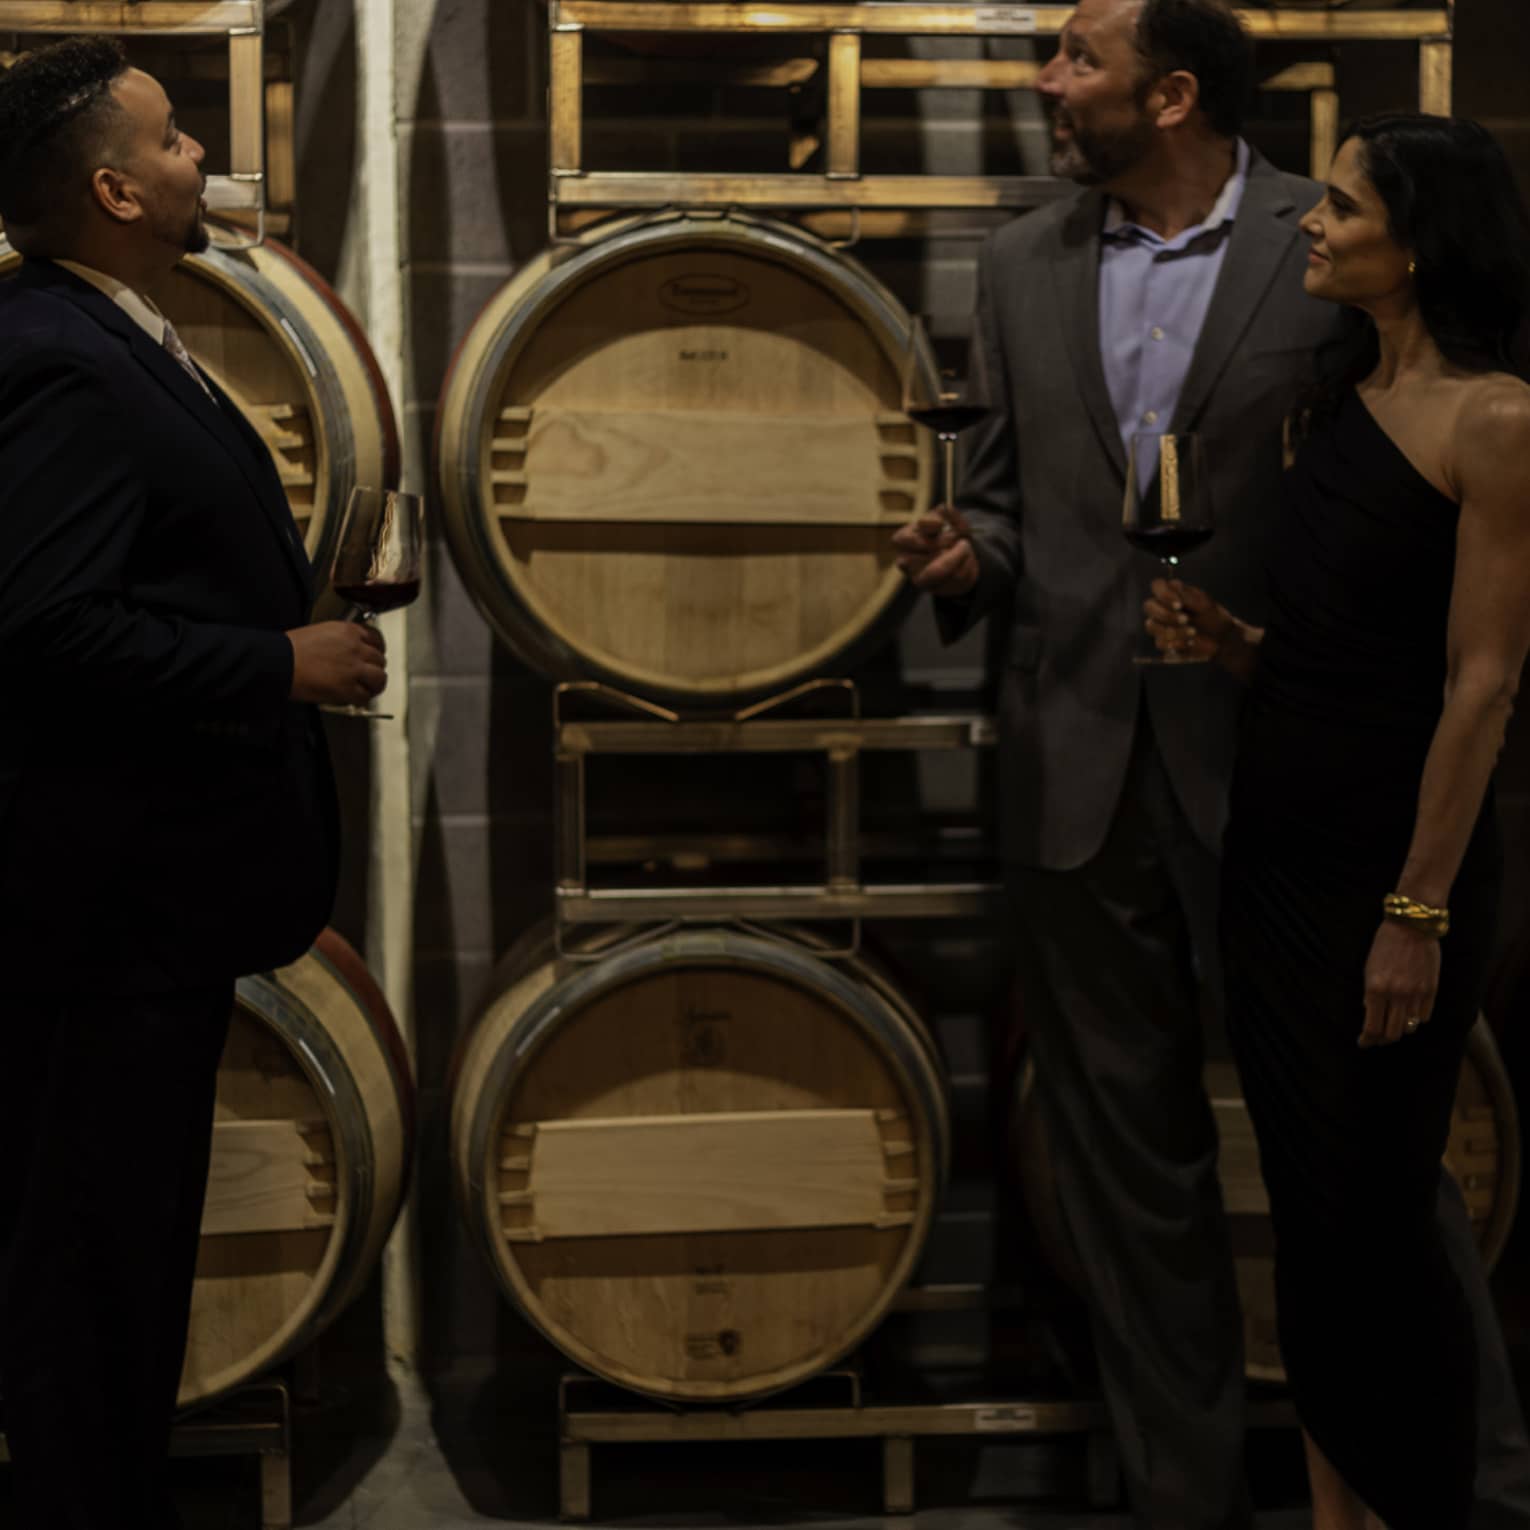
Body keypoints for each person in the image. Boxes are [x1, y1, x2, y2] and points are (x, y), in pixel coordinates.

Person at [892, 2, 1530, 1526]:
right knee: (1130, 1172)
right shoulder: (1020, 264)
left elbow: (1412, 479)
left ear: (1169, 93)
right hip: (1075, 769)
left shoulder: (1324, 245)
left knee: (1371, 1165)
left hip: (1285, 777)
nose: (1045, 83)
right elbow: (1002, 508)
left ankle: (1477, 1481)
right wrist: (955, 559)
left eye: (1075, 60)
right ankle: (1183, 1498)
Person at [0, 38, 386, 1529]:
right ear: (110, 187)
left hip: (138, 911)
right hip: (106, 916)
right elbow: (42, 628)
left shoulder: (106, 328)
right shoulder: (55, 355)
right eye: (170, 141)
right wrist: (275, 665)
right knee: (94, 1282)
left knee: (120, 1265)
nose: (197, 162)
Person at [1144, 114, 1530, 1530]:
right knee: (1309, 1224)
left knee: (1372, 1224)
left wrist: (1414, 914)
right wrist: (1233, 638)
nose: (1310, 220)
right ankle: (1333, 1517)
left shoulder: (1498, 421)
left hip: (1389, 873)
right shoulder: (1336, 398)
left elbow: (1477, 689)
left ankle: (1423, 1502)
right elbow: (1338, 651)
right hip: (1278, 859)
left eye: (1343, 206)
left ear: (1415, 246)